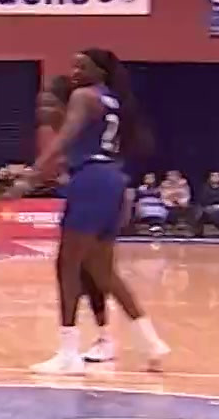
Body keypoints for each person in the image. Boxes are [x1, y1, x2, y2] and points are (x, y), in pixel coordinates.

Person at [28, 49, 170, 375]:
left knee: (67, 265)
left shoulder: (83, 97)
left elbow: (65, 138)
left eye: (82, 66)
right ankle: (151, 342)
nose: (75, 71)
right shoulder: (113, 101)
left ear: (100, 71)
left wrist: (34, 171)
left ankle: (68, 353)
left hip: (91, 180)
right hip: (113, 180)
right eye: (73, 65)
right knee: (103, 272)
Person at [38, 77, 113, 363]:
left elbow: (62, 158)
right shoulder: (81, 126)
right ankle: (106, 338)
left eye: (47, 103)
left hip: (95, 191)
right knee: (87, 271)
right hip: (95, 190)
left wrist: (31, 175)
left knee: (78, 269)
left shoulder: (77, 127)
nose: (42, 110)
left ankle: (72, 350)